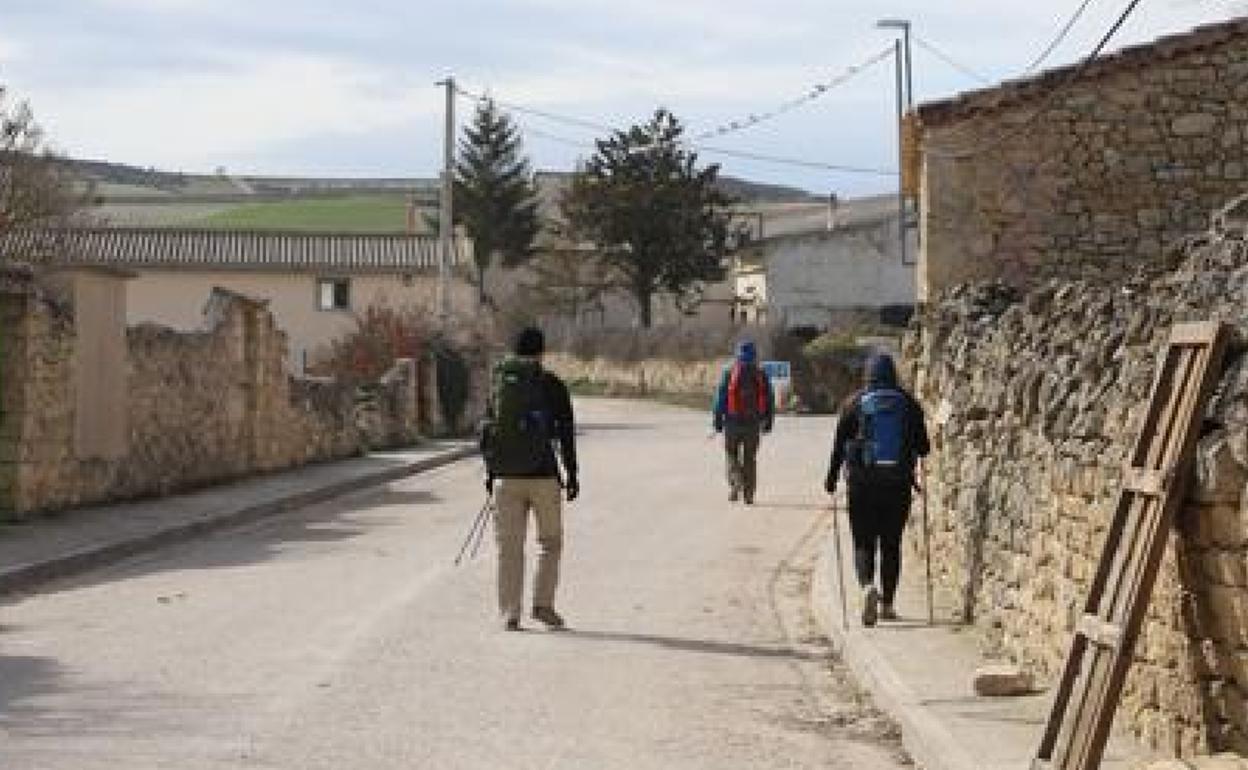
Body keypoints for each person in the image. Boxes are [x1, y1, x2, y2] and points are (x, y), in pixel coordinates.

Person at [481, 326, 579, 632]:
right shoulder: (552, 384)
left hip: (505, 478)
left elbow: (490, 431)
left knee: (509, 549)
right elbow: (566, 433)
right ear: (542, 352)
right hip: (544, 476)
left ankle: (510, 613)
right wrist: (572, 474)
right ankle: (543, 605)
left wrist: (491, 474)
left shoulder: (500, 384)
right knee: (550, 543)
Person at [825, 352, 929, 627]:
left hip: (862, 486)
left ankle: (866, 587)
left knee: (863, 543)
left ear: (867, 375)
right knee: (891, 544)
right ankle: (888, 605)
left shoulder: (853, 404)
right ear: (893, 374)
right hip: (897, 485)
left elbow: (838, 448)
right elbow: (924, 448)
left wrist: (831, 480)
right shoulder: (908, 404)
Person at [712, 340, 774, 505]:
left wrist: (717, 420)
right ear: (754, 355)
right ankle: (749, 494)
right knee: (750, 459)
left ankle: (736, 482)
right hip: (753, 424)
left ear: (738, 354)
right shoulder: (761, 374)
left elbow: (720, 398)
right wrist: (768, 421)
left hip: (732, 423)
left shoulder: (729, 372)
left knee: (731, 454)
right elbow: (769, 399)